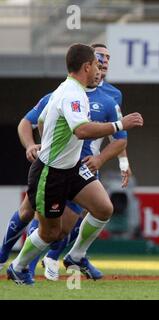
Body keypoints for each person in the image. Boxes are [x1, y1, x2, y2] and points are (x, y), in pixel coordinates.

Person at [6, 43, 143, 285]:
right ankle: (18, 266)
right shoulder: (72, 94)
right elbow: (81, 131)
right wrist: (120, 126)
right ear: (87, 67)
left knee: (104, 208)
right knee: (51, 232)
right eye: (97, 65)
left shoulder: (78, 91)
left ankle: (77, 255)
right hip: (52, 172)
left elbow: (44, 119)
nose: (100, 69)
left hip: (72, 167)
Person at [92, 43, 133, 186]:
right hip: (60, 160)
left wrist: (123, 162)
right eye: (100, 56)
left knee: (98, 207)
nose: (105, 61)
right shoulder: (70, 89)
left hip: (89, 161)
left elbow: (116, 132)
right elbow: (33, 121)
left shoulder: (113, 95)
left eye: (108, 57)